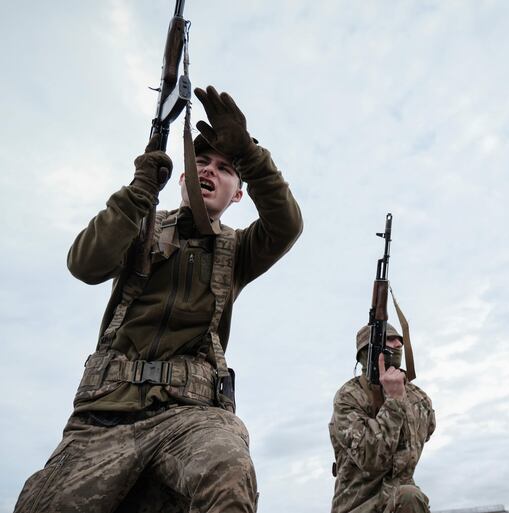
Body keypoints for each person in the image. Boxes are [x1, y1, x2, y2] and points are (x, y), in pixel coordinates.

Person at [14, 85, 303, 513]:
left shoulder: (239, 249)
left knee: (228, 469)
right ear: (183, 177)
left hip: (191, 418)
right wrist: (139, 191)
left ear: (238, 192)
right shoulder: (141, 228)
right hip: (103, 418)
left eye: (224, 168)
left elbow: (286, 225)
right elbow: (85, 264)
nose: (209, 170)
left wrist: (249, 155)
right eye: (200, 162)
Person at [329, 323, 436, 513]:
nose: (398, 344)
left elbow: (427, 431)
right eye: (389, 339)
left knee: (410, 496)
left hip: (400, 503)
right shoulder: (349, 397)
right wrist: (394, 401)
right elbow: (372, 460)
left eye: (399, 340)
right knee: (409, 496)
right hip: (359, 508)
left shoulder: (418, 398)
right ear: (368, 351)